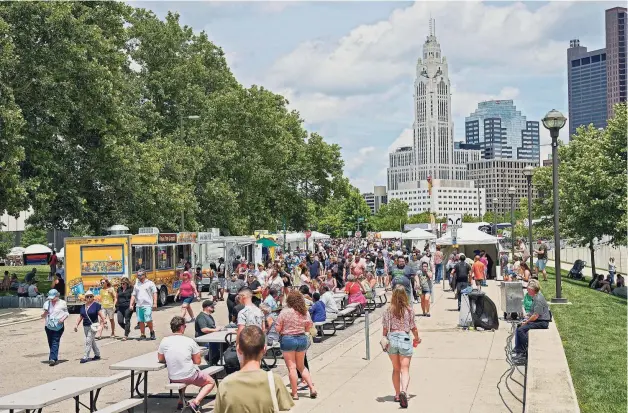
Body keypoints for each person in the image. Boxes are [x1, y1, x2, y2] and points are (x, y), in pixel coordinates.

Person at [213, 325, 294, 413]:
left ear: (238, 349)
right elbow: (286, 407)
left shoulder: (225, 384)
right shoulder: (274, 380)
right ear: (264, 349)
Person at [158, 316, 216, 412]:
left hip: (173, 377)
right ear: (181, 327)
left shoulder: (164, 341)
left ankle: (181, 401)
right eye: (185, 326)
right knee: (210, 382)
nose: (185, 327)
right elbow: (198, 361)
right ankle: (196, 403)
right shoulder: (189, 341)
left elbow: (160, 358)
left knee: (181, 372)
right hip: (189, 375)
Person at [382, 286, 421, 409]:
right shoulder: (409, 310)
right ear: (405, 295)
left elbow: (384, 330)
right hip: (404, 338)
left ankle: (397, 394)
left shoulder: (388, 310)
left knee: (396, 369)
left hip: (392, 339)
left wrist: (385, 338)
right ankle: (404, 391)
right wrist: (417, 338)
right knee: (405, 369)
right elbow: (413, 327)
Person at [276, 291, 317, 400]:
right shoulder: (304, 312)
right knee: (301, 366)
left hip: (288, 339)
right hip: (302, 338)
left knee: (292, 367)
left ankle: (295, 393)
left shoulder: (284, 312)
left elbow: (277, 328)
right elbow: (309, 326)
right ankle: (312, 387)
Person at [512, 280, 551, 364]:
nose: (527, 290)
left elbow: (536, 316)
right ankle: (518, 349)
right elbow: (533, 312)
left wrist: (526, 322)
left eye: (529, 289)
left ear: (533, 290)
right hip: (538, 319)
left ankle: (523, 353)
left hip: (542, 322)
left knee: (521, 330)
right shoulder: (535, 296)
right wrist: (527, 316)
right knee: (519, 326)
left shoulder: (538, 299)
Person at [73, 290, 106, 363]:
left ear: (93, 297)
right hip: (85, 326)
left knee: (88, 341)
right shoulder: (82, 307)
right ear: (85, 298)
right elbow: (81, 316)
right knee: (92, 340)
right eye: (87, 296)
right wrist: (76, 325)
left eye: (91, 296)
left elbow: (100, 313)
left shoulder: (96, 305)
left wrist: (104, 320)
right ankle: (97, 354)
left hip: (94, 326)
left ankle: (85, 357)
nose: (89, 298)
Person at [42, 289, 69, 366]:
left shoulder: (62, 303)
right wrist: (44, 314)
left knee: (55, 341)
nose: (51, 299)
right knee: (50, 342)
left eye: (53, 298)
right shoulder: (46, 303)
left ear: (57, 296)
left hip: (58, 326)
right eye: (50, 298)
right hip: (48, 326)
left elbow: (67, 313)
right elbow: (43, 316)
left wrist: (62, 319)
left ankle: (52, 359)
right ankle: (54, 356)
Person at [129, 270, 158, 340]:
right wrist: (131, 304)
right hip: (139, 305)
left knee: (148, 319)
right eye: (138, 275)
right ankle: (143, 334)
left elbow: (155, 293)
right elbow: (133, 295)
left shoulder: (150, 283)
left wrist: (155, 303)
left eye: (140, 275)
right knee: (141, 321)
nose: (139, 277)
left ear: (144, 275)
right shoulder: (136, 285)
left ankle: (152, 332)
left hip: (147, 305)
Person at [195, 300, 222, 365]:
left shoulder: (209, 316)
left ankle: (214, 361)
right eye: (212, 306)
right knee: (217, 346)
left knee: (224, 344)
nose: (214, 308)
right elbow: (203, 329)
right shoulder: (201, 317)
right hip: (204, 340)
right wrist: (215, 330)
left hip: (211, 338)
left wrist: (218, 328)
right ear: (206, 307)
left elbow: (212, 327)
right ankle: (210, 360)